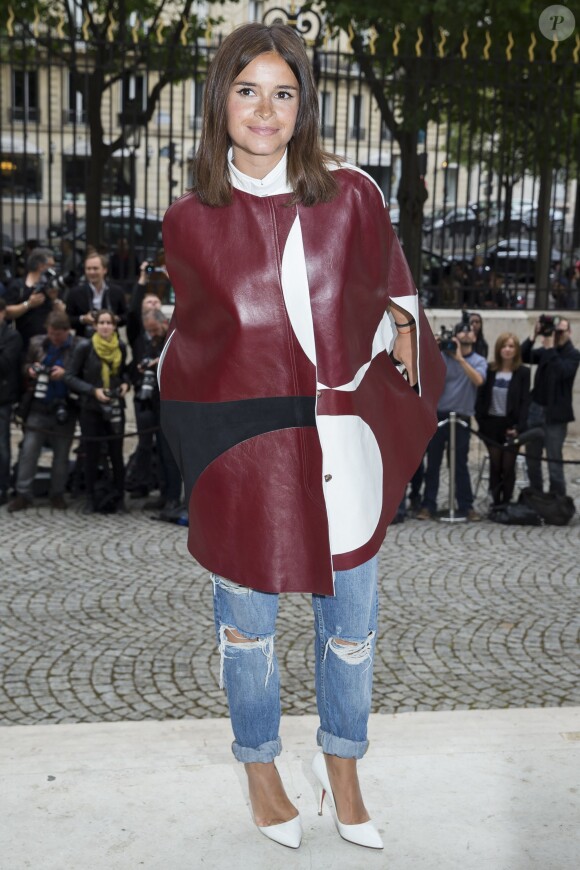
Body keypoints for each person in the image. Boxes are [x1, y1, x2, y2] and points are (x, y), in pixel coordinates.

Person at [159, 23, 444, 851]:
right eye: (247, 89)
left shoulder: (350, 193)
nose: (266, 108)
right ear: (221, 101)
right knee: (246, 626)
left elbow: (398, 299)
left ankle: (343, 768)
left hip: (339, 437)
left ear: (304, 106)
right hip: (240, 446)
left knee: (351, 624)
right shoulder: (189, 218)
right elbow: (193, 346)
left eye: (283, 93)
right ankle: (260, 770)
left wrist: (388, 377)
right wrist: (195, 454)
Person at [7, 312, 79, 512]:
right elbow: (24, 366)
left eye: (57, 334)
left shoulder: (78, 346)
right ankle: (23, 493)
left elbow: (82, 375)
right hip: (38, 406)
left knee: (61, 454)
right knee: (29, 451)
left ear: (67, 331)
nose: (53, 338)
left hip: (65, 407)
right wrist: (30, 369)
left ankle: (57, 493)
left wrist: (65, 375)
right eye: (50, 333)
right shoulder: (37, 343)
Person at [417, 321, 487, 520]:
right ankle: (428, 505)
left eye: (469, 331)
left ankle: (466, 506)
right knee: (434, 464)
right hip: (439, 417)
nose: (466, 334)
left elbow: (479, 380)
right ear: (455, 336)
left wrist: (460, 359)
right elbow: (423, 372)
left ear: (474, 337)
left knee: (460, 465)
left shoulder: (479, 360)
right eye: (461, 332)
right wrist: (432, 347)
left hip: (462, 419)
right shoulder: (441, 358)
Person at [65, 308, 130, 513]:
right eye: (101, 323)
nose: (105, 327)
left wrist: (125, 384)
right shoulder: (85, 347)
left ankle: (119, 497)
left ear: (114, 326)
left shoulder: (120, 346)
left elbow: (123, 373)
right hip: (91, 408)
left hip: (114, 407)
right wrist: (93, 391)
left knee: (116, 454)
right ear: (95, 326)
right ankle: (90, 497)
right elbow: (70, 377)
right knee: (91, 453)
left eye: (109, 323)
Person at [129, 308, 182, 510]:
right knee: (158, 453)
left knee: (170, 455)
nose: (152, 334)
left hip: (170, 403)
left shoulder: (174, 337)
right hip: (151, 402)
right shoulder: (146, 342)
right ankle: (163, 493)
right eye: (148, 331)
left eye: (154, 330)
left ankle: (173, 497)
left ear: (163, 322)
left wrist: (161, 362)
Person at [521, 317, 580, 495]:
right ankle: (536, 494)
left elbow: (563, 372)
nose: (557, 334)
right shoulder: (547, 350)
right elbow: (524, 356)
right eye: (556, 330)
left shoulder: (573, 354)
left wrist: (550, 349)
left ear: (569, 332)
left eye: (561, 331)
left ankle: (557, 498)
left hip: (556, 415)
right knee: (532, 458)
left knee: (554, 459)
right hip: (536, 409)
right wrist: (533, 335)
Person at [475, 333, 530, 506]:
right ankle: (495, 501)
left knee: (508, 466)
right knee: (495, 464)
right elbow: (481, 398)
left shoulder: (523, 372)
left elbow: (524, 402)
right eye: (504, 346)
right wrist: (481, 421)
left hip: (511, 426)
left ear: (516, 350)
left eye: (511, 346)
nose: (507, 350)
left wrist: (519, 427)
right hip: (491, 424)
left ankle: (507, 501)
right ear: (498, 349)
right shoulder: (490, 370)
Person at [4, 248, 64, 350]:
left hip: (49, 343)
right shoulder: (18, 286)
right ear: (41, 266)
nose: (54, 269)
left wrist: (54, 300)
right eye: (51, 266)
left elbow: (62, 316)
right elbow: (6, 312)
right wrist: (29, 304)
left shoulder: (52, 287)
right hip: (24, 343)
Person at [66, 252, 128, 338]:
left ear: (104, 270)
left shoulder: (117, 291)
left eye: (95, 269)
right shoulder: (75, 293)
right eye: (88, 269)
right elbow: (67, 320)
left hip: (110, 342)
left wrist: (114, 319)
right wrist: (83, 319)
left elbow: (126, 316)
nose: (91, 272)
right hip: (84, 340)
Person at [0, 298, 23, 505]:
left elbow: (5, 365)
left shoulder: (12, 336)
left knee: (2, 446)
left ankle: (2, 487)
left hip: (3, 398)